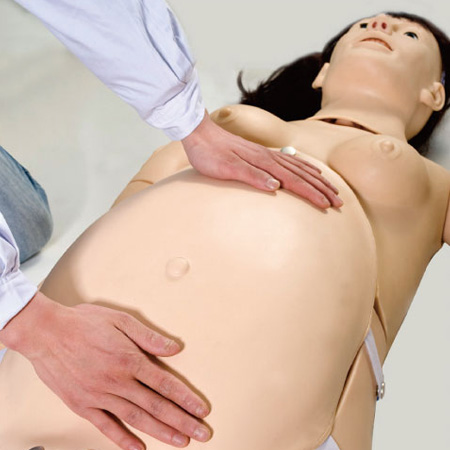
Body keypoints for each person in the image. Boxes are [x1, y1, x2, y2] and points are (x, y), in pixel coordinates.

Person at [1, 10, 449, 450]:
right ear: (323, 73)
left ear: (436, 94)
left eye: (410, 35)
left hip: (257, 409)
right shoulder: (216, 127)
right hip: (61, 345)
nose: (379, 24)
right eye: (363, 25)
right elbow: (125, 214)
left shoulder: (434, 183)